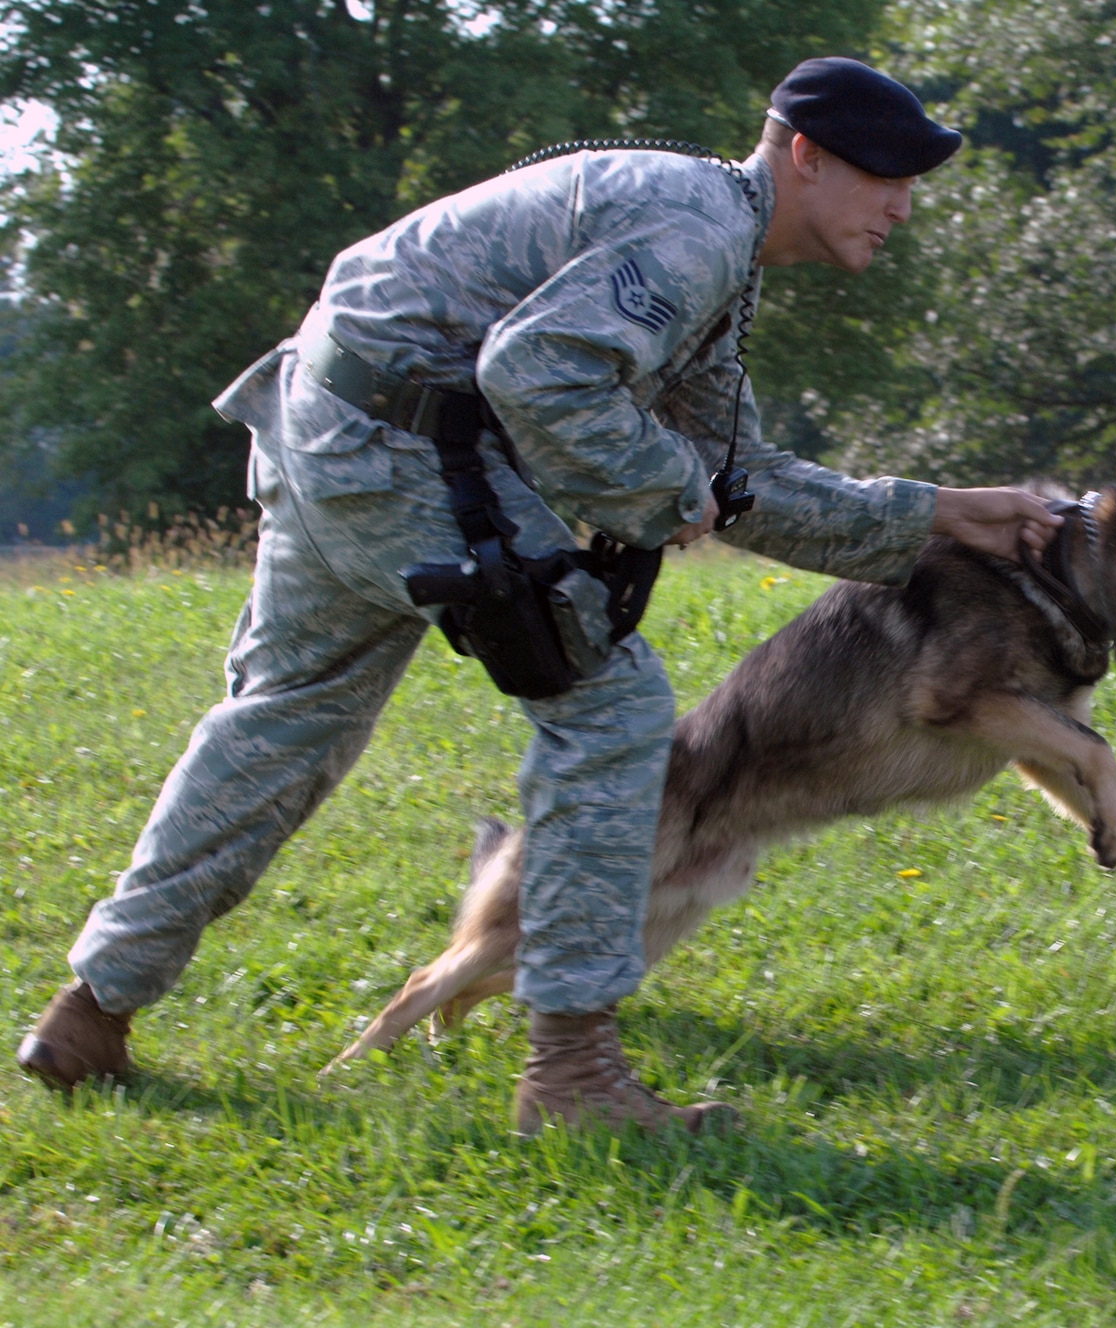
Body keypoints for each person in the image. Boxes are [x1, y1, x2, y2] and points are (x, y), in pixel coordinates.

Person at [17, 57, 1060, 1135]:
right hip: (400, 446)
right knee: (610, 712)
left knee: (281, 716)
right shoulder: (696, 232)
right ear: (803, 156)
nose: (901, 205)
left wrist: (929, 511)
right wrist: (663, 484)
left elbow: (734, 470)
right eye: (886, 174)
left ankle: (88, 1011)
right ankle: (571, 1075)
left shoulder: (707, 236)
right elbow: (539, 375)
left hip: (333, 415)